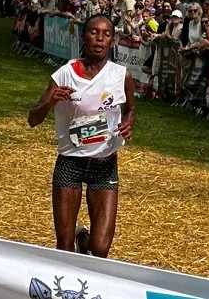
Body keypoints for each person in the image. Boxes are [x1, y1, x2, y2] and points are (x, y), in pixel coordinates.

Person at [27, 15, 136, 257]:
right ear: (84, 36)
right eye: (94, 32)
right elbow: (33, 119)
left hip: (104, 164)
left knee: (100, 250)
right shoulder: (65, 74)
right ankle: (75, 243)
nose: (99, 39)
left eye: (106, 34)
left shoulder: (122, 76)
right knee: (64, 248)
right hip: (70, 162)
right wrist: (50, 103)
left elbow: (130, 109)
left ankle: (83, 239)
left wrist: (128, 124)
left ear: (112, 41)